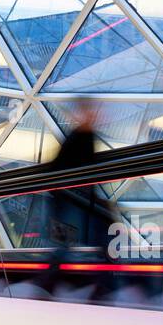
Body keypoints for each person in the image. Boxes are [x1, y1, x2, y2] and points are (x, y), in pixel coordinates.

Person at [40, 101, 114, 294]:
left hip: (73, 198)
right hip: (70, 200)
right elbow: (65, 168)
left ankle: (101, 284)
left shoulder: (83, 136)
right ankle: (49, 283)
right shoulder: (79, 137)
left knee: (71, 242)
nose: (96, 116)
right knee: (66, 243)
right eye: (91, 111)